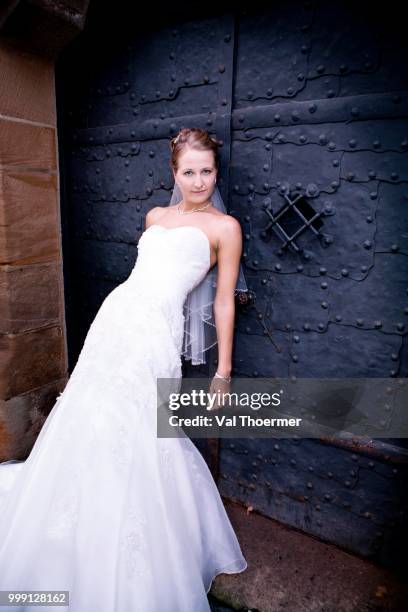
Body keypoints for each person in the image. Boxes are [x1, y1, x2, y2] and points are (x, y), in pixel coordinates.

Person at [0, 127, 248, 611]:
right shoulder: (155, 216)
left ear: (216, 173)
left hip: (156, 332)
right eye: (188, 171)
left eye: (206, 171)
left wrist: (224, 370)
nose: (198, 181)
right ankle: (75, 517)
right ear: (174, 173)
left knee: (143, 428)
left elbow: (223, 302)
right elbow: (141, 277)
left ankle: (128, 532)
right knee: (91, 414)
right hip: (115, 319)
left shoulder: (225, 228)